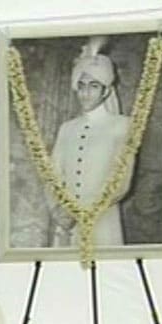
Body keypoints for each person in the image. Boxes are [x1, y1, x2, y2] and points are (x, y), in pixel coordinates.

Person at [49, 36, 134, 247]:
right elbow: (53, 175)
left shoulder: (123, 125)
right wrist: (59, 210)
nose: (86, 93)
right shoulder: (67, 128)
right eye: (82, 85)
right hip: (67, 223)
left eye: (94, 86)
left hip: (103, 220)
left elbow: (121, 181)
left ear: (106, 90)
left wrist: (86, 210)